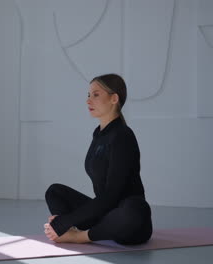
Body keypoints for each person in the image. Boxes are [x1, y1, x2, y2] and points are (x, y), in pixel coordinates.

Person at [44, 73, 153, 245]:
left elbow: (111, 195)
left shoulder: (123, 135)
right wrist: (65, 221)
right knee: (55, 192)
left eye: (95, 95)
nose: (88, 101)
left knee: (134, 210)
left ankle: (79, 236)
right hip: (105, 214)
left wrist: (66, 220)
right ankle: (91, 231)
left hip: (130, 220)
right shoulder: (99, 135)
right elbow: (104, 200)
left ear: (114, 99)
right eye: (88, 95)